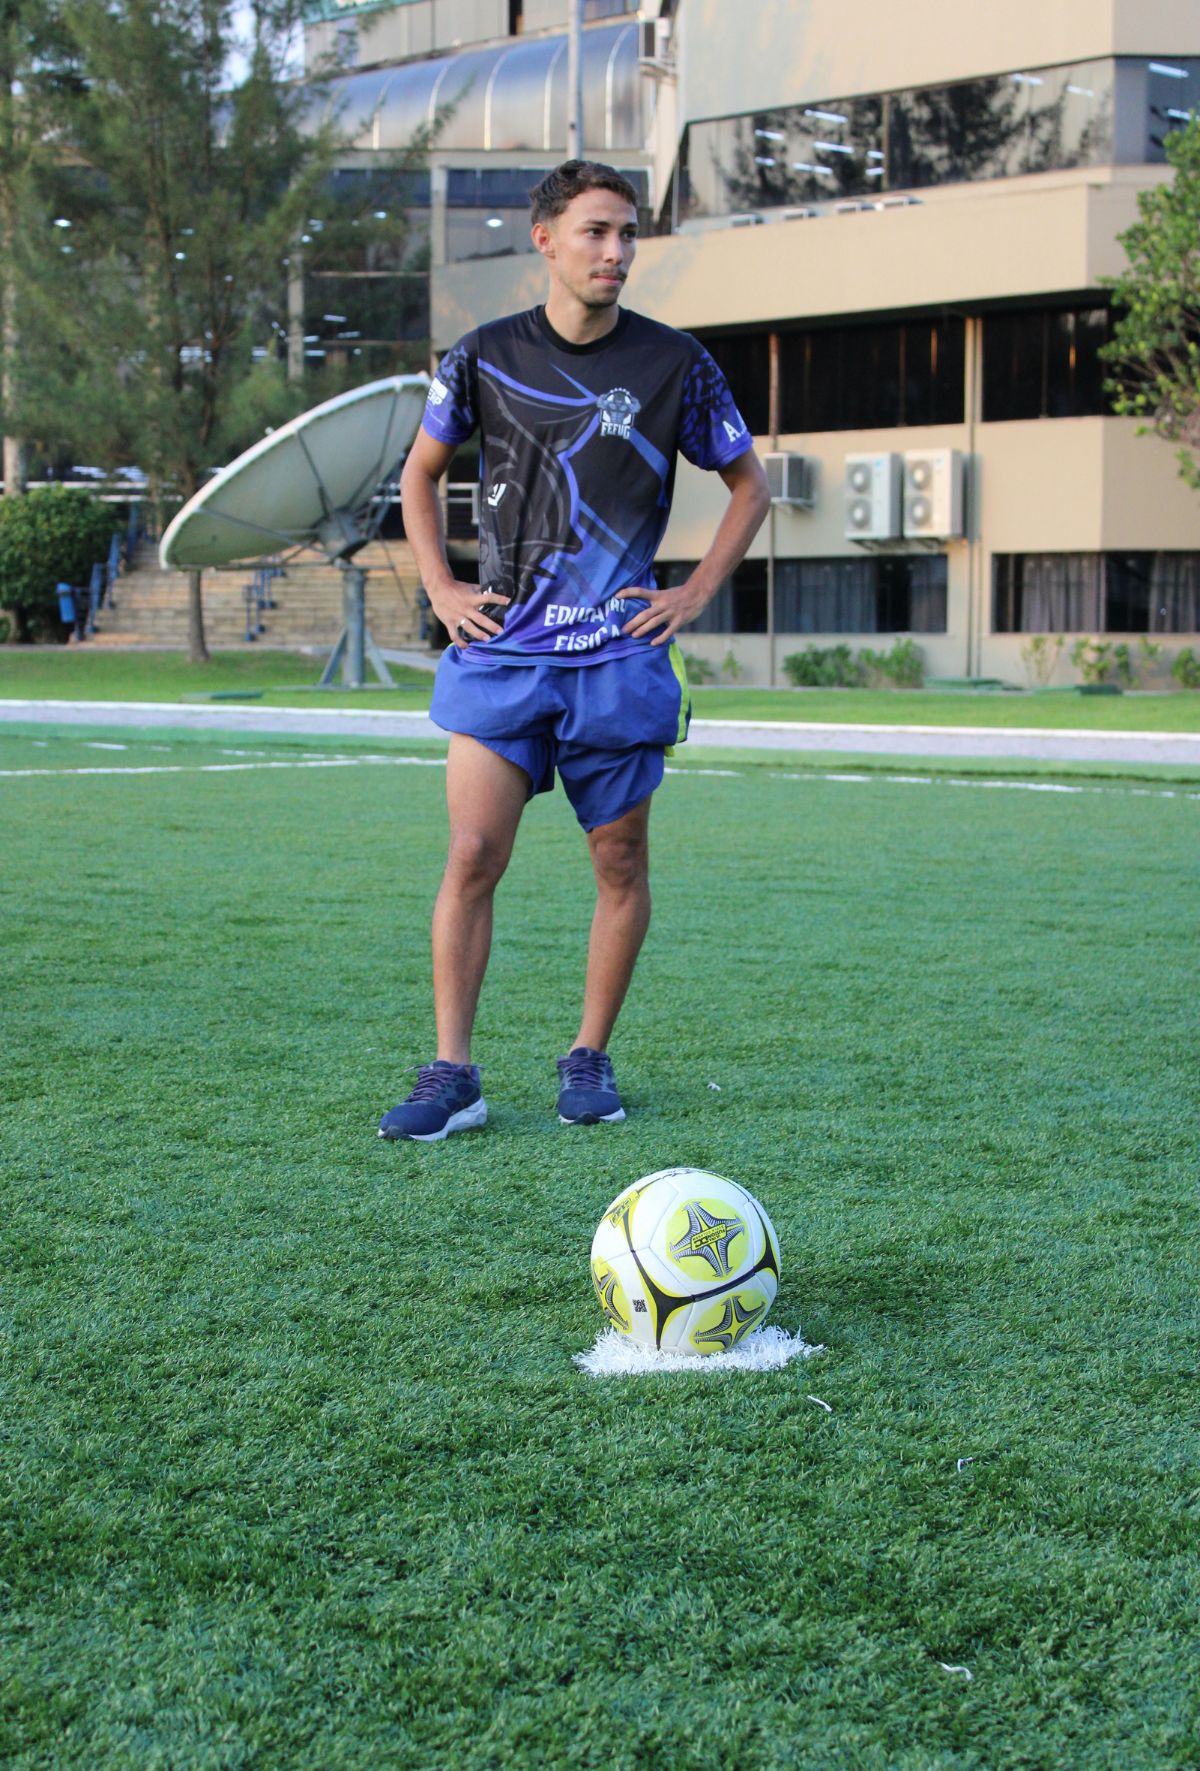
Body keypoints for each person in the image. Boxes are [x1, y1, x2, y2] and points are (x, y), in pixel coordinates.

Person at [380, 159, 769, 1142]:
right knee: (473, 853)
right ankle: (453, 1073)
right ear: (545, 239)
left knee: (621, 861)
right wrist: (440, 587)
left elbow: (750, 485)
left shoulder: (676, 363)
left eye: (628, 233)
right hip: (504, 653)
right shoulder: (481, 356)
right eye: (597, 231)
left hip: (617, 658)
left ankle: (587, 1056)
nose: (616, 251)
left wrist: (692, 592)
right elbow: (419, 474)